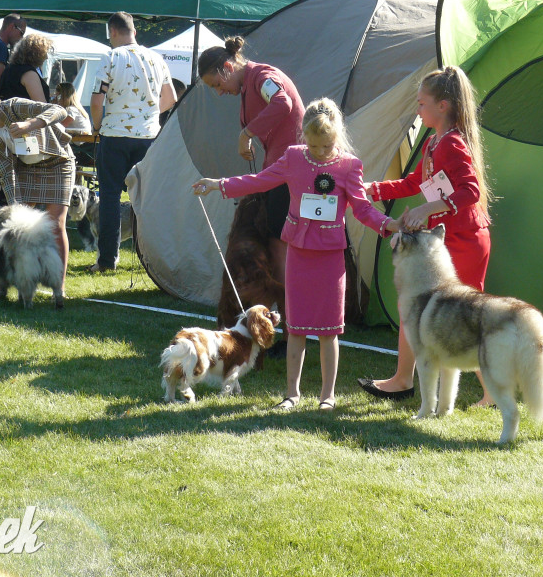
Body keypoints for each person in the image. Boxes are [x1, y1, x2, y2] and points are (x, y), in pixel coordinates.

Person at [193, 98, 398, 410]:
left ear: (336, 137)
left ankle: (327, 397)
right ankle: (292, 394)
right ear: (303, 137)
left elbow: (363, 208)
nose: (319, 151)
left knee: (330, 331)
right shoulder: (293, 158)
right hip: (298, 254)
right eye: (313, 145)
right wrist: (218, 185)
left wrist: (388, 225)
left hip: (330, 258)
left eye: (325, 145)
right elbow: (258, 181)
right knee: (296, 327)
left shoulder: (349, 167)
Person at [358, 65, 495, 405]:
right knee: (415, 305)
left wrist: (426, 210)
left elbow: (471, 191)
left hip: (465, 241)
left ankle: (492, 390)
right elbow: (412, 183)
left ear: (443, 106)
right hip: (450, 238)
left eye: (422, 104)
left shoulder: (452, 144)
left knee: (465, 317)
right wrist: (372, 189)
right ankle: (402, 379)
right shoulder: (435, 142)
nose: (418, 110)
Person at [197, 37, 305, 292]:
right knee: (275, 239)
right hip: (279, 169)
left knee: (279, 241)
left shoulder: (262, 76)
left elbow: (283, 102)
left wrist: (246, 134)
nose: (220, 92)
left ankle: (289, 315)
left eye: (218, 84)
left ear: (228, 67)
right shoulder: (250, 84)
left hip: (291, 173)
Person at [0, 90, 75, 296]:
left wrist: (31, 124)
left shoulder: (14, 106)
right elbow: (6, 172)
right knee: (13, 229)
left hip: (58, 163)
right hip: (27, 170)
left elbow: (59, 111)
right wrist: (16, 208)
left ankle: (59, 288)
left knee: (56, 224)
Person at [89, 12, 177, 272]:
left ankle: (107, 261)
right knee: (148, 200)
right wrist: (148, 115)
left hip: (114, 136)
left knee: (110, 198)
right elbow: (170, 98)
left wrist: (97, 126)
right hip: (148, 137)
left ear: (112, 32)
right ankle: (154, 259)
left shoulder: (110, 57)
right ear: (134, 31)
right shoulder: (157, 58)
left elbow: (97, 101)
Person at [0, 33, 52, 102]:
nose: (46, 57)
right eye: (44, 53)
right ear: (36, 54)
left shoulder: (9, 69)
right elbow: (41, 105)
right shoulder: (29, 73)